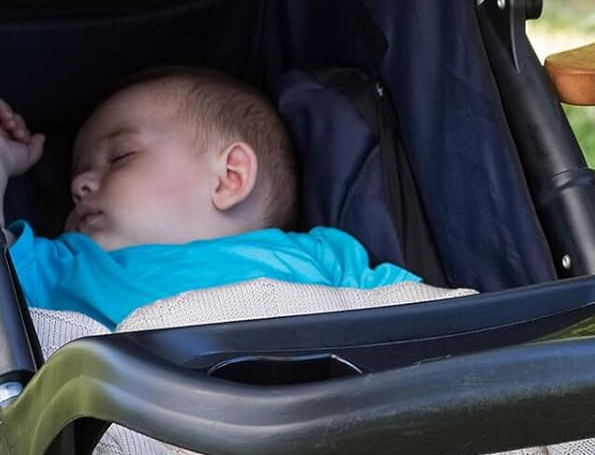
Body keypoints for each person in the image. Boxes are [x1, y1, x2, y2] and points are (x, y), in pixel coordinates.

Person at [0, 68, 416, 327]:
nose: (80, 185)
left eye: (121, 156)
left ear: (229, 177)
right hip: (161, 446)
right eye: (76, 176)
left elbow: (425, 317)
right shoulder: (68, 265)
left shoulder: (324, 255)